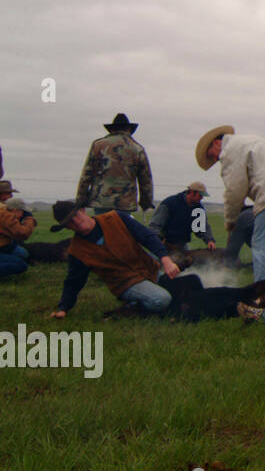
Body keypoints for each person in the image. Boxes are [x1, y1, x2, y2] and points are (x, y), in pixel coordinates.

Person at [196, 126, 265, 284]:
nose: (215, 159)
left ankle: (264, 298)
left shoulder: (229, 151)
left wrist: (230, 221)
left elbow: (235, 190)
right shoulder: (247, 141)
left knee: (263, 248)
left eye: (211, 155)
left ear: (216, 143)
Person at [49, 200, 180, 318]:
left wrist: (165, 259)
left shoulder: (116, 218)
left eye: (75, 215)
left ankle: (139, 300)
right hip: (125, 283)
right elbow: (73, 282)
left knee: (179, 290)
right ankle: (130, 309)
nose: (76, 222)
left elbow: (147, 237)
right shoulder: (77, 252)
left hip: (149, 268)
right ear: (66, 227)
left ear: (83, 211)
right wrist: (63, 308)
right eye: (69, 222)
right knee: (162, 299)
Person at [76, 112, 154, 214]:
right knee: (121, 229)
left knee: (102, 229)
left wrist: (80, 200)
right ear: (129, 129)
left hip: (101, 201)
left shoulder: (98, 145)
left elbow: (86, 175)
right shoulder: (137, 148)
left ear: (112, 129)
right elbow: (145, 180)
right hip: (125, 203)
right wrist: (145, 203)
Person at [149, 181, 217, 257]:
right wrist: (158, 242)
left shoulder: (198, 209)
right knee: (155, 266)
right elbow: (155, 225)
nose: (202, 198)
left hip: (182, 247)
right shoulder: (170, 203)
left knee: (187, 266)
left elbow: (201, 228)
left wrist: (209, 240)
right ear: (192, 192)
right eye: (200, 195)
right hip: (163, 245)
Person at [0, 190, 36, 280]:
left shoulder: (3, 212)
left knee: (21, 254)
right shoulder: (6, 216)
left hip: (3, 245)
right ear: (15, 210)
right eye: (22, 212)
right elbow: (23, 233)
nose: (22, 215)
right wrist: (29, 219)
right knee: (21, 265)